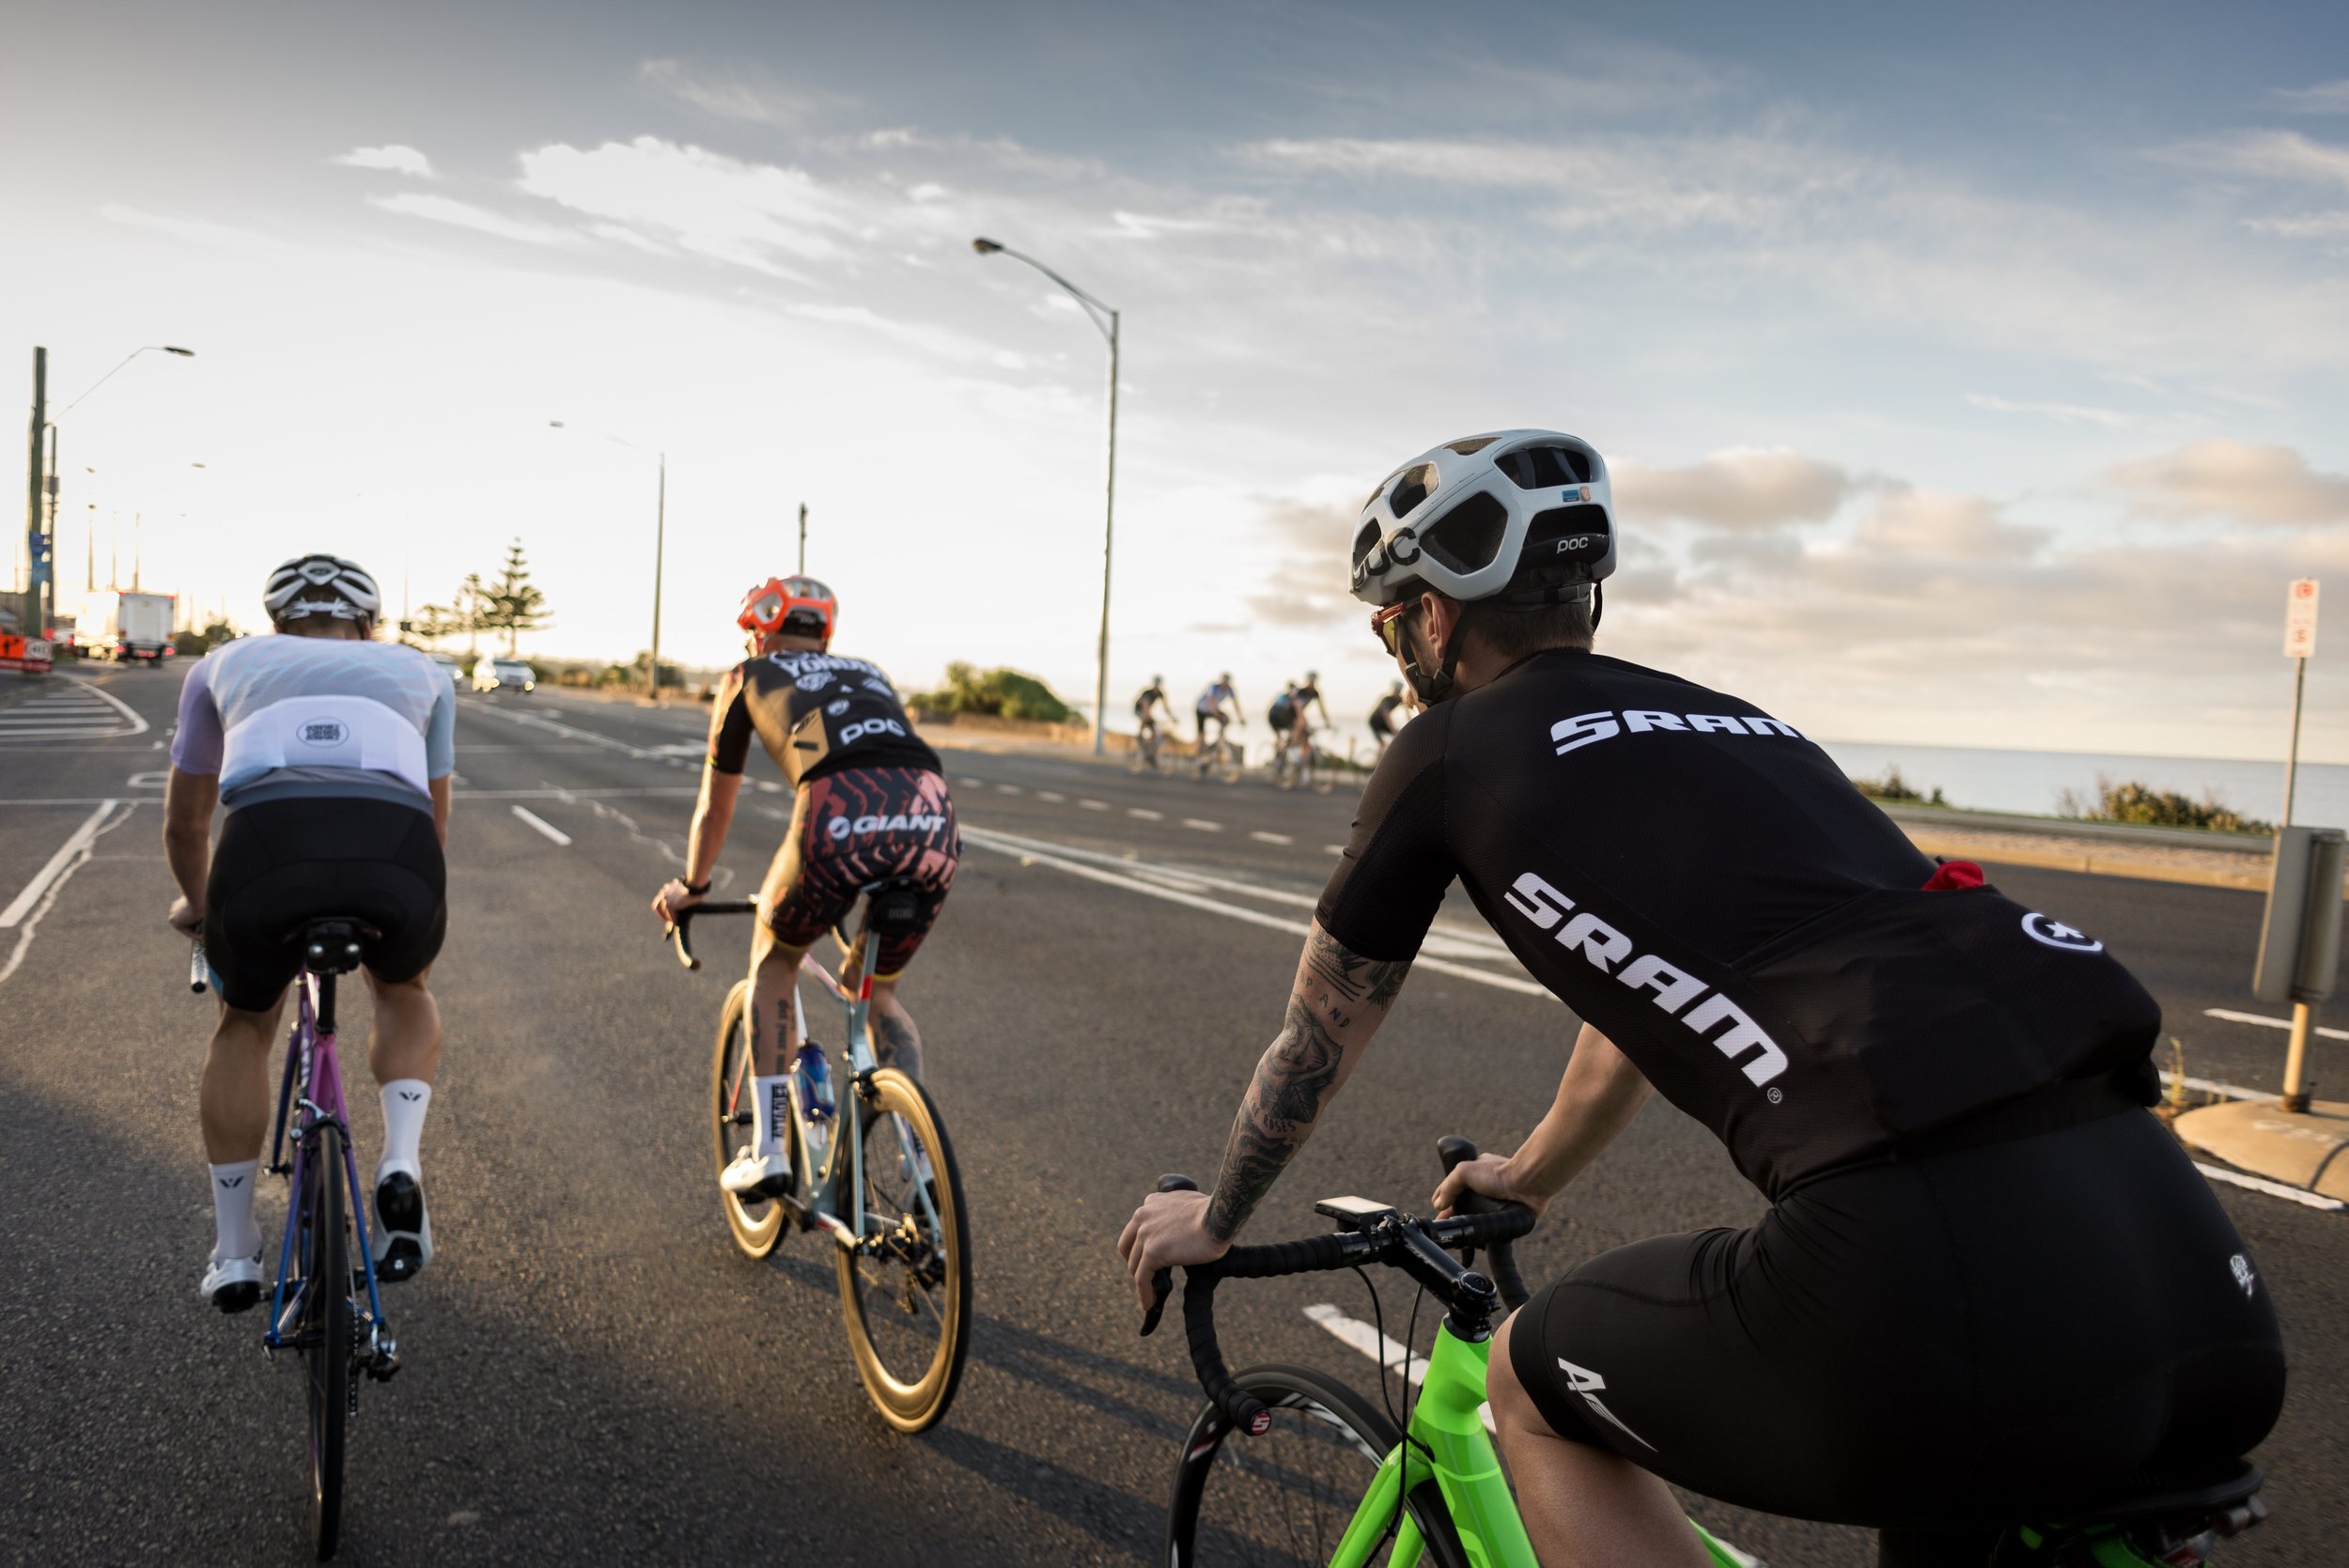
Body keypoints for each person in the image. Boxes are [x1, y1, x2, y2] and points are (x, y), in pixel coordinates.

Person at [1120, 430, 2283, 1567]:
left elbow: (1315, 1031)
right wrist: (1525, 1173)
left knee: (1525, 1384)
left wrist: (1217, 1217)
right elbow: (1637, 1008)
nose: (1395, 648)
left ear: (1433, 614)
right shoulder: (1745, 724)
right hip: (2188, 1270)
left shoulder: (1450, 747)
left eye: (1388, 623)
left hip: (1916, 1266)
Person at [166, 553, 454, 1312]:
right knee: (404, 990)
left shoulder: (221, 665)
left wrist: (201, 907)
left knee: (245, 1021)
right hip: (396, 856)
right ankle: (400, 1160)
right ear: (368, 623)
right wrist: (401, 915)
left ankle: (233, 1250)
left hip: (265, 856)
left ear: (277, 623)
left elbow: (185, 823)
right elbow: (436, 817)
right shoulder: (423, 669)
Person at [650, 577, 958, 1198]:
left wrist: (693, 884)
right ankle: (922, 1162)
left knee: (774, 960)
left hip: (840, 814)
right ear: (826, 632)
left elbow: (716, 805)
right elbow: (856, 743)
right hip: (934, 815)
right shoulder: (865, 671)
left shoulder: (746, 676)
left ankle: (767, 1148)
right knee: (874, 994)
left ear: (760, 629)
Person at [1193, 673, 1241, 775]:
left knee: (1226, 719)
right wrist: (1218, 715)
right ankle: (1199, 757)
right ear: (1221, 681)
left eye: (1227, 683)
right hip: (1202, 710)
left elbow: (1235, 704)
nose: (1225, 685)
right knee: (1201, 735)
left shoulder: (1230, 690)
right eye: (1224, 683)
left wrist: (1240, 718)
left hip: (1213, 709)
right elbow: (1211, 701)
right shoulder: (1213, 687)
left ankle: (1218, 742)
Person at [1132, 675, 1174, 766]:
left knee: (1155, 732)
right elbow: (1144, 704)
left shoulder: (1160, 694)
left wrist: (1172, 717)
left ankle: (1151, 755)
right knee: (1146, 719)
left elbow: (1165, 708)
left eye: (1158, 685)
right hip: (1139, 710)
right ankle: (1140, 737)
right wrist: (1148, 716)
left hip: (1147, 711)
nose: (1157, 687)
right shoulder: (1147, 693)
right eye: (1156, 685)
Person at [1367, 679, 1407, 759]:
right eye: (1396, 690)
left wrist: (1412, 721)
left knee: (1398, 735)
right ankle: (1376, 765)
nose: (1397, 692)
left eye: (1398, 691)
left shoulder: (1399, 699)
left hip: (1383, 722)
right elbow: (1386, 715)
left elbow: (1407, 706)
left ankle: (1391, 756)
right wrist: (1393, 729)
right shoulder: (1387, 700)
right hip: (1375, 722)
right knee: (1382, 744)